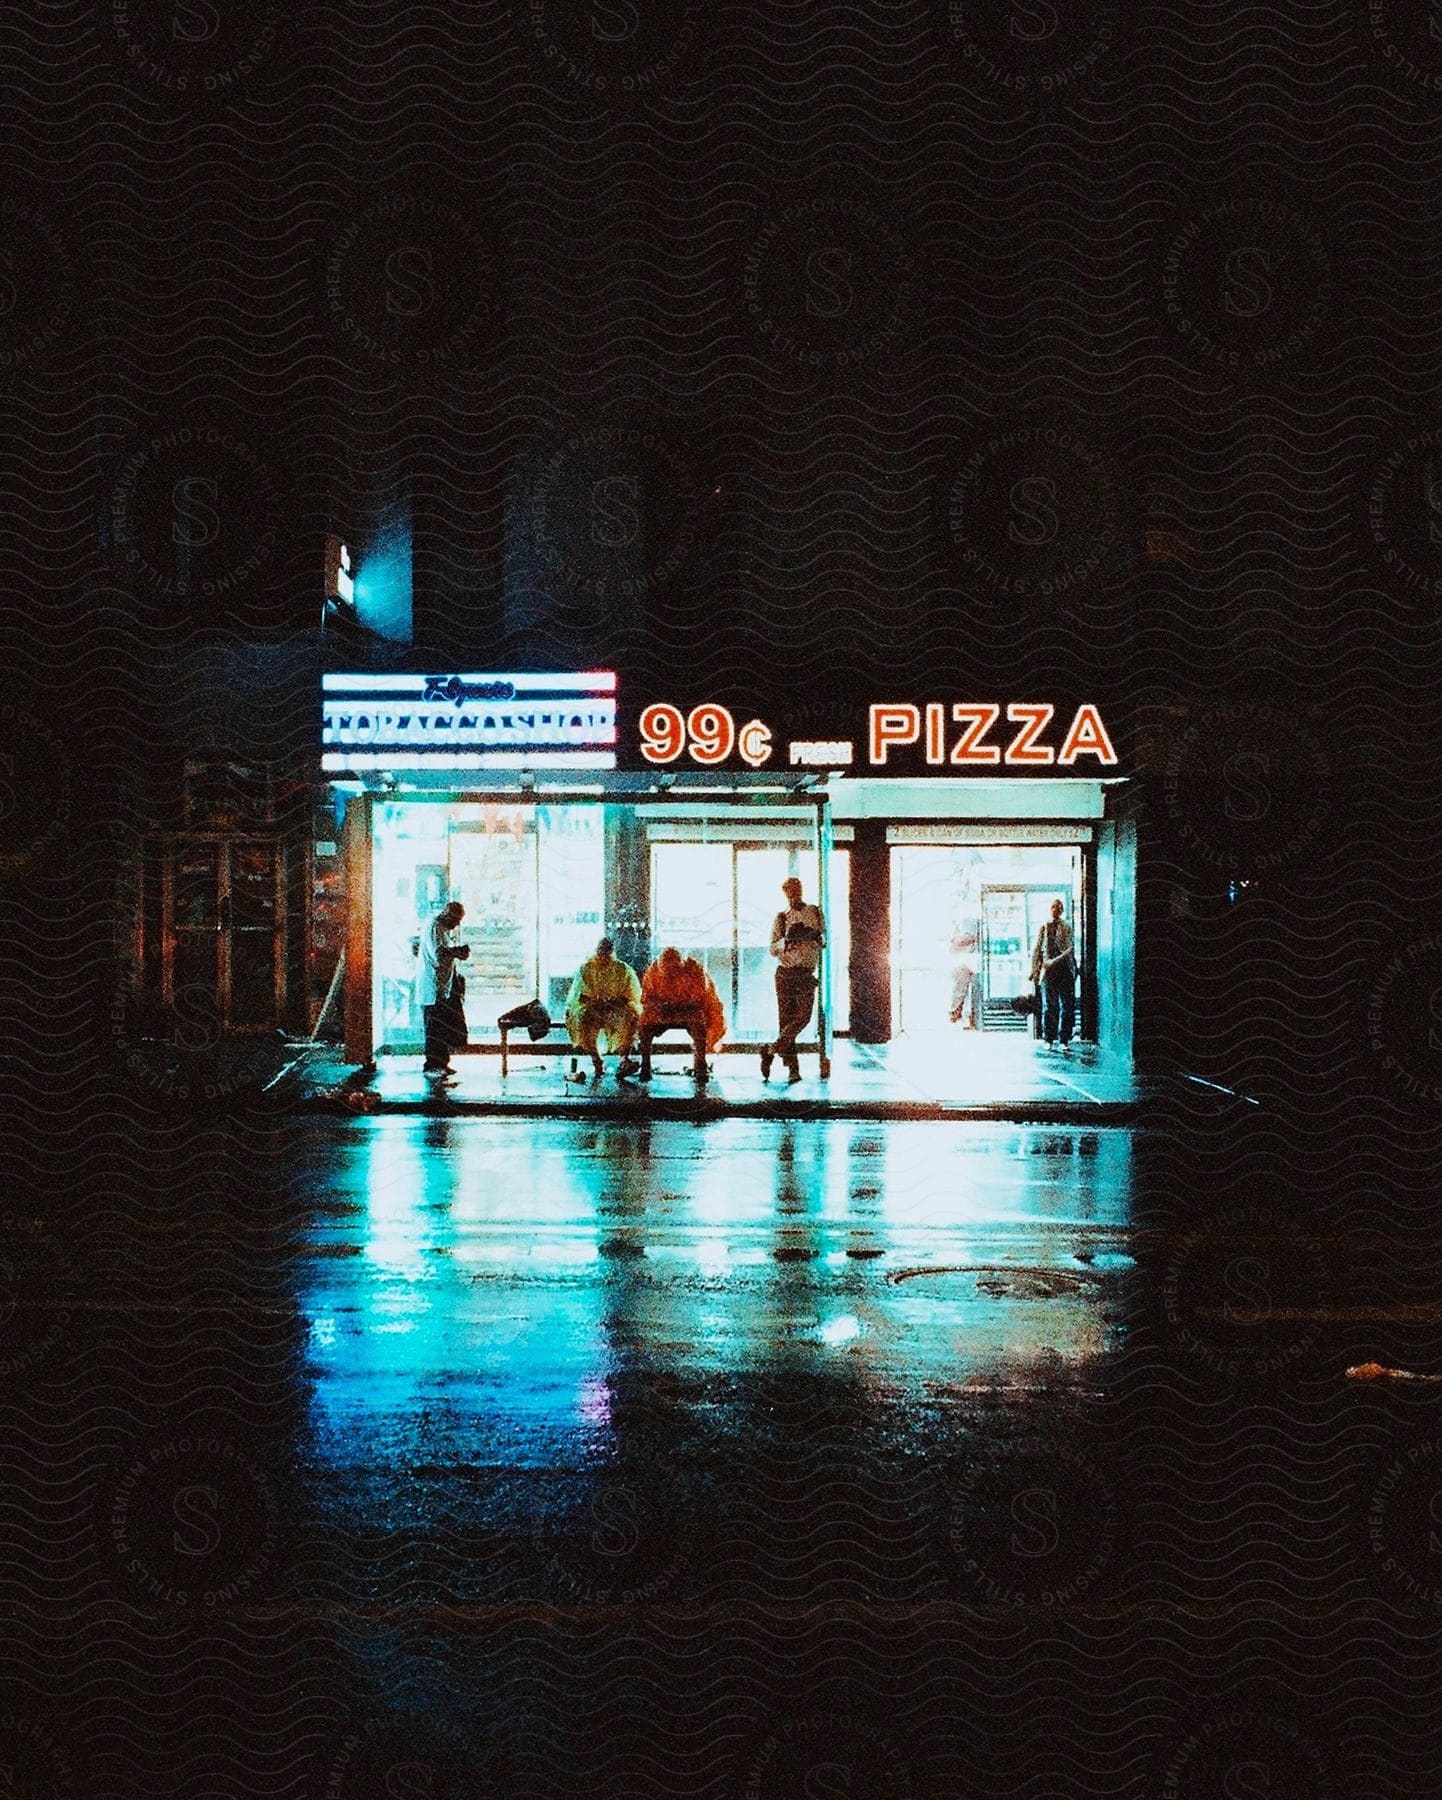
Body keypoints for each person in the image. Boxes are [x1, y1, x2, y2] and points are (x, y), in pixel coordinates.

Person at [762, 876, 825, 1085]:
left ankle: (770, 1050)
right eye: (789, 892)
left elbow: (824, 941)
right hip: (786, 973)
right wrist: (787, 939)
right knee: (786, 1021)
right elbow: (772, 949)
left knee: (803, 1017)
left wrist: (811, 936)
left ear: (801, 890)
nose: (793, 895)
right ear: (785, 894)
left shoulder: (815, 912)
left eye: (796, 890)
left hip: (806, 973)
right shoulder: (781, 918)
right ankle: (793, 1069)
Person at [638, 946, 726, 1084]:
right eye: (667, 971)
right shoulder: (654, 970)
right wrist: (663, 1006)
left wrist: (680, 1006)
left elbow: (701, 996)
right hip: (663, 1010)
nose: (672, 974)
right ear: (661, 966)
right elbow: (647, 997)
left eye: (675, 969)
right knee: (644, 1024)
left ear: (681, 964)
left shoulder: (694, 968)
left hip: (688, 1009)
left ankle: (700, 1064)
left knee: (700, 1024)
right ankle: (645, 1065)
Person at [565, 936, 642, 1081]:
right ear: (597, 950)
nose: (604, 954)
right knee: (583, 1019)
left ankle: (624, 1060)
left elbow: (631, 994)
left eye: (607, 950)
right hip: (592, 1009)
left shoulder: (622, 969)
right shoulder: (586, 968)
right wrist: (596, 1002)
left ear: (612, 951)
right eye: (601, 950)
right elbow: (579, 995)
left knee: (631, 1017)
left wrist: (613, 1002)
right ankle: (596, 1060)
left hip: (615, 1010)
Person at [420, 900, 469, 1080]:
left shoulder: (442, 929)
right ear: (448, 914)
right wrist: (458, 952)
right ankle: (432, 1065)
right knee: (434, 1027)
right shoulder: (435, 927)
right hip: (432, 987)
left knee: (441, 1026)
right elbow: (439, 954)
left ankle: (441, 1063)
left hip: (442, 986)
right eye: (456, 921)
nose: (457, 925)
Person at [1030, 897, 1077, 1054]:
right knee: (1049, 1007)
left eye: (1058, 907)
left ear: (1062, 910)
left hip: (1064, 970)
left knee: (1067, 1006)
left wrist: (1053, 961)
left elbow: (1069, 949)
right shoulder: (1044, 927)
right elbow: (1037, 949)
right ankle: (1048, 1039)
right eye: (1053, 907)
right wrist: (1034, 970)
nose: (1055, 910)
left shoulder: (1066, 927)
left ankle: (1064, 1039)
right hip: (1048, 972)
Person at [949, 924, 980, 1029]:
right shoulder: (961, 917)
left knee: (962, 986)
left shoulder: (968, 918)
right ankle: (959, 1013)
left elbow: (963, 940)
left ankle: (957, 1011)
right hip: (965, 960)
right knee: (962, 986)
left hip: (968, 960)